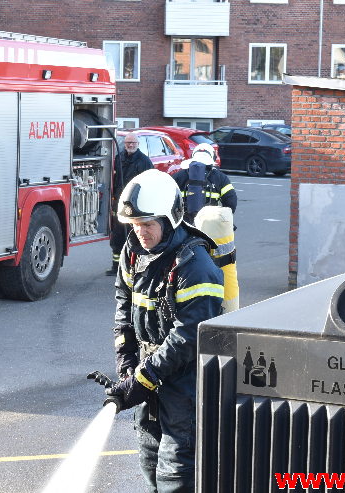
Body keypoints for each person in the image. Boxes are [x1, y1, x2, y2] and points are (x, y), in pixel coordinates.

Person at [107, 169, 224, 492]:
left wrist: (143, 378)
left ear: (170, 218)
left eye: (148, 224)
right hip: (151, 376)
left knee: (177, 472)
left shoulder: (195, 265)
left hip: (186, 383)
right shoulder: (133, 252)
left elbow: (188, 335)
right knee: (149, 459)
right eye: (135, 225)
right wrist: (126, 364)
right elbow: (123, 306)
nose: (140, 232)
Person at [106, 132, 153, 276]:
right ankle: (116, 267)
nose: (130, 145)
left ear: (138, 144)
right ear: (124, 144)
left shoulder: (144, 161)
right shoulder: (119, 158)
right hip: (119, 203)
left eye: (133, 143)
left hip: (136, 204)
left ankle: (136, 266)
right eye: (128, 143)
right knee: (118, 236)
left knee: (135, 236)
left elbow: (149, 183)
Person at [172, 143, 237, 224]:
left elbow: (167, 199)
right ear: (213, 157)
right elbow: (231, 202)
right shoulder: (220, 177)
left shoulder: (179, 176)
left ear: (193, 156)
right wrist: (224, 220)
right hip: (210, 224)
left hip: (184, 224)